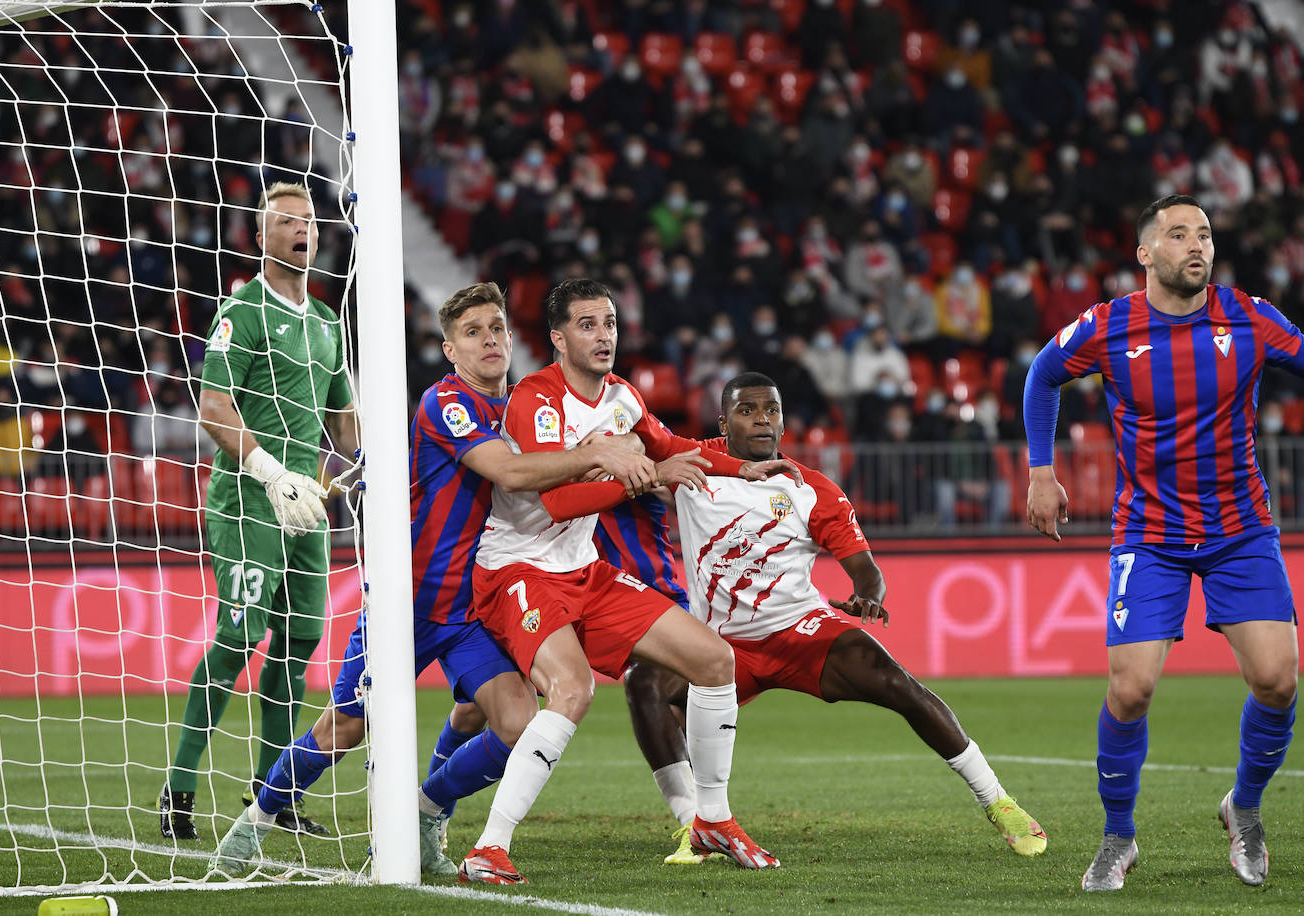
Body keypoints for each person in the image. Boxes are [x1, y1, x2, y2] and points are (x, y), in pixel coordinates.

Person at [209, 281, 650, 874]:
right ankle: (257, 820)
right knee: (344, 729)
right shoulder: (447, 402)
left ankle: (424, 814)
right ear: (449, 349)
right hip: (408, 599)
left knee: (516, 722)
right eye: (473, 332)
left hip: (473, 604)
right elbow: (511, 472)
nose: (489, 341)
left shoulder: (526, 406)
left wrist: (625, 444)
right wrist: (601, 453)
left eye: (497, 329)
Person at [624, 372, 1046, 865]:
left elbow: (867, 572)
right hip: (720, 645)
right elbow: (629, 451)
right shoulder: (692, 464)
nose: (761, 419)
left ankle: (997, 800)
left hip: (799, 631)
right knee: (644, 681)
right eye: (747, 410)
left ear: (784, 422)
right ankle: (694, 824)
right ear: (723, 422)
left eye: (772, 410)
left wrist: (867, 596)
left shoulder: (811, 488)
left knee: (895, 682)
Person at [458, 278, 801, 884]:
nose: (604, 336)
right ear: (558, 338)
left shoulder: (622, 397)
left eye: (610, 323)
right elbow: (557, 501)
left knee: (714, 660)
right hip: (517, 569)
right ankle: (489, 846)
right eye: (587, 325)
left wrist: (740, 467)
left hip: (584, 569)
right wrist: (643, 477)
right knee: (572, 689)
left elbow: (673, 446)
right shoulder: (536, 399)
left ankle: (712, 818)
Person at [1024, 194, 1300, 891]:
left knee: (1278, 681)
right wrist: (1041, 472)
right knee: (1131, 689)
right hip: (1150, 534)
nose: (1196, 245)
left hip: (1241, 529)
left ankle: (1244, 807)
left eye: (1203, 233)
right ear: (1146, 254)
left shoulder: (1250, 317)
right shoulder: (1109, 325)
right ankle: (1118, 836)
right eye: (1178, 234)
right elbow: (1042, 375)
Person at [159, 182, 357, 841]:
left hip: (308, 508)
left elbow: (343, 419)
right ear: (261, 235)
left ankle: (274, 794)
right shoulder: (240, 313)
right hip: (248, 499)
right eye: (288, 221)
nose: (303, 230)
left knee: (299, 646)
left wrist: (372, 469)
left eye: (310, 221)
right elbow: (213, 405)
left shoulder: (326, 321)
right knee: (239, 639)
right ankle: (178, 789)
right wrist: (271, 473)